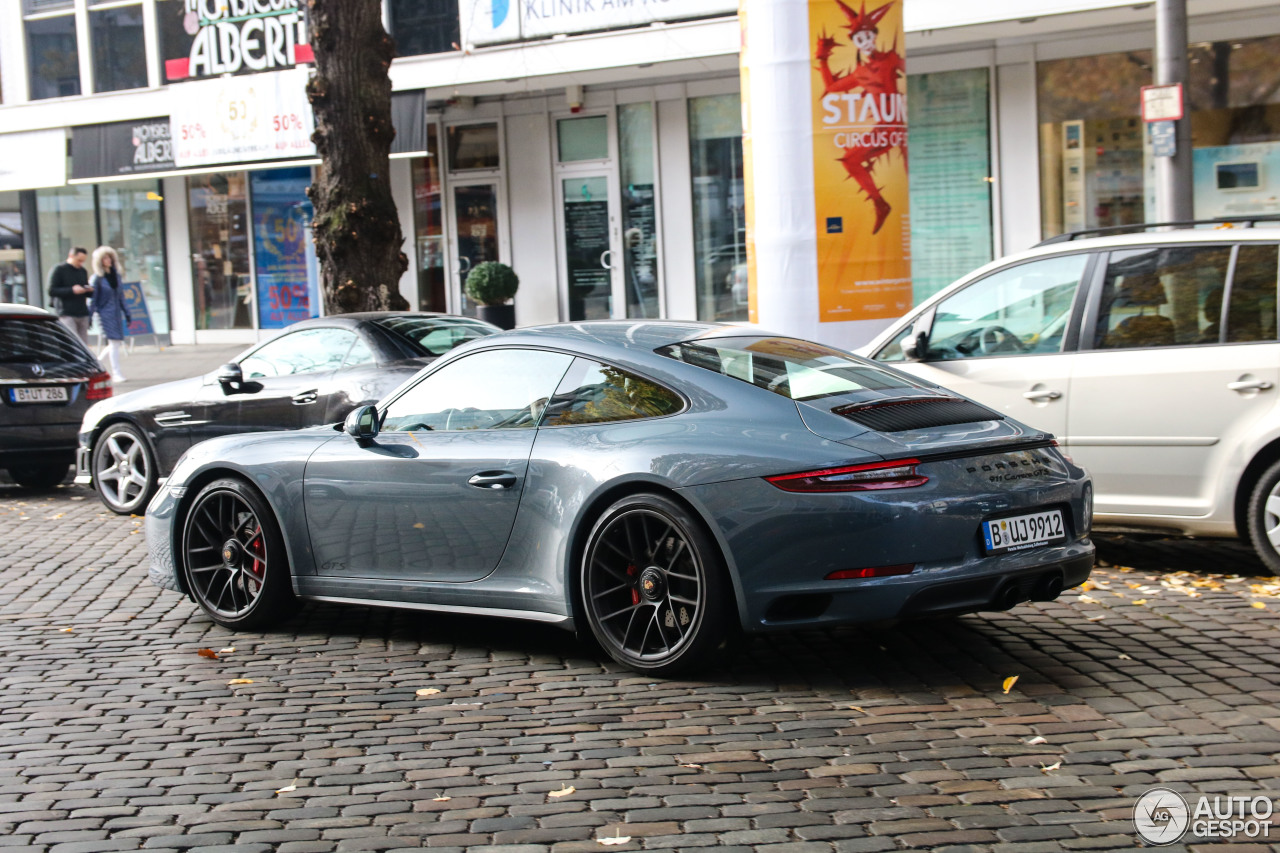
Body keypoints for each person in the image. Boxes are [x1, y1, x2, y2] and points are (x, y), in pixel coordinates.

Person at [90, 246, 131, 383]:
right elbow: (93, 299)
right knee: (113, 342)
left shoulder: (116, 276)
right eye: (105, 258)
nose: (108, 260)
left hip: (116, 313)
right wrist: (90, 316)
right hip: (104, 313)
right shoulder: (98, 278)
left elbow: (121, 297)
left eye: (110, 258)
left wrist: (127, 312)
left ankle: (95, 364)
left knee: (116, 342)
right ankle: (116, 372)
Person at [47, 246, 91, 346]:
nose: (80, 263)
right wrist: (71, 290)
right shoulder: (59, 269)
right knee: (72, 342)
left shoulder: (82, 271)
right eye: (79, 260)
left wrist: (89, 290)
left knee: (84, 345)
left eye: (83, 261)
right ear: (71, 256)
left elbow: (85, 289)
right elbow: (51, 290)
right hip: (66, 312)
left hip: (81, 311)